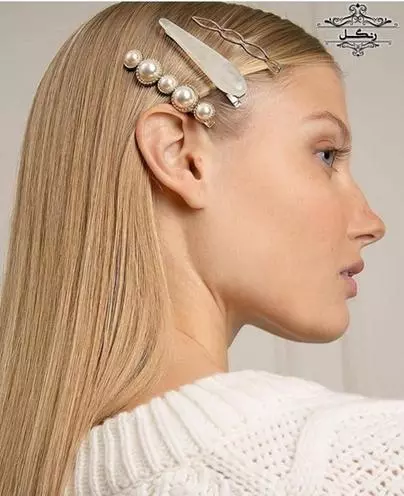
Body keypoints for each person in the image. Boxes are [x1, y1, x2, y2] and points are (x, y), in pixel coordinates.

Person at [0, 1, 403, 495]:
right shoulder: (359, 462)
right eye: (325, 154)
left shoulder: (45, 473)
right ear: (181, 157)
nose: (371, 223)